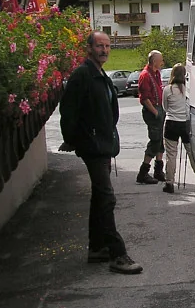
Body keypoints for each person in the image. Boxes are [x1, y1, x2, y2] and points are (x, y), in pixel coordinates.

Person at [59, 31, 142, 274]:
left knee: (99, 197)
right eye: (99, 46)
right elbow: (68, 110)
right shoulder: (82, 75)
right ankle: (117, 254)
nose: (104, 50)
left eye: (107, 46)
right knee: (107, 198)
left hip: (104, 145)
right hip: (92, 146)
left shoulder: (101, 75)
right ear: (89, 48)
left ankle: (97, 248)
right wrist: (71, 139)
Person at [161, 64, 195, 194]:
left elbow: (165, 107)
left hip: (171, 123)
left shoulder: (168, 89)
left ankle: (169, 182)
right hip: (185, 123)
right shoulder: (188, 90)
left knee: (171, 155)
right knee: (191, 152)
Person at [136, 49, 165, 184]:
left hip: (159, 108)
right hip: (152, 110)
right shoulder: (145, 75)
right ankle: (143, 173)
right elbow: (144, 98)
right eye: (160, 60)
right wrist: (155, 112)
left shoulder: (156, 73)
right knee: (155, 140)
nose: (162, 62)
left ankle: (158, 171)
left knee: (160, 140)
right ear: (154, 61)